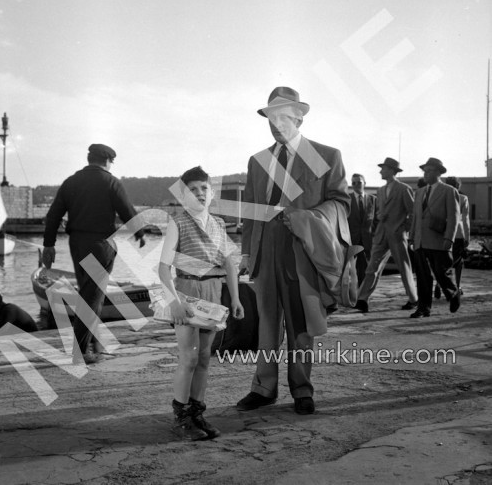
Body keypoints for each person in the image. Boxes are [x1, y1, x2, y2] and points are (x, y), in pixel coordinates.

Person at [236, 86, 351, 416]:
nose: (276, 123)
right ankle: (264, 387)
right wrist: (247, 253)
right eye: (271, 117)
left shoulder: (325, 156)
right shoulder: (258, 161)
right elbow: (252, 212)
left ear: (299, 118)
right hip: (266, 252)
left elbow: (342, 202)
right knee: (266, 324)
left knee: (301, 324)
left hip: (305, 251)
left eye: (284, 116)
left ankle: (301, 388)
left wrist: (308, 218)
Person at [159, 166, 244, 440]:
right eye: (192, 190)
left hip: (212, 291)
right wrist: (174, 302)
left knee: (205, 356)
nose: (199, 193)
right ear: (184, 196)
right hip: (186, 290)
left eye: (203, 188)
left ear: (212, 193)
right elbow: (163, 268)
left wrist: (236, 298)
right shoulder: (178, 222)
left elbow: (230, 263)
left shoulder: (218, 224)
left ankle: (197, 413)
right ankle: (181, 416)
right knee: (189, 356)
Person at [42, 144, 145, 364]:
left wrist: (49, 245)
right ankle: (80, 352)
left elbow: (52, 216)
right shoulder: (110, 182)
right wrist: (140, 232)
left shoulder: (71, 182)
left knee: (89, 295)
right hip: (99, 245)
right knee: (91, 299)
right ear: (107, 161)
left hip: (76, 244)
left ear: (90, 159)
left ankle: (95, 343)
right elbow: (127, 210)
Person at [355, 158, 417, 313]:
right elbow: (379, 212)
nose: (380, 171)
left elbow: (413, 213)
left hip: (397, 235)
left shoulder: (404, 189)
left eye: (383, 169)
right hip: (381, 235)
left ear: (391, 170)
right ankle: (362, 299)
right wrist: (379, 216)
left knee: (404, 268)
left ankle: (413, 299)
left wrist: (403, 229)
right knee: (372, 267)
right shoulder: (381, 191)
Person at [409, 158, 460, 318]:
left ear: (438, 172)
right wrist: (411, 237)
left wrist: (449, 238)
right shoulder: (419, 192)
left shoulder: (449, 191)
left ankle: (452, 293)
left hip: (439, 239)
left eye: (429, 170)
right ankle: (424, 307)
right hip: (420, 240)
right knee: (423, 276)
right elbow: (415, 217)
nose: (425, 173)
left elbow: (453, 217)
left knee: (440, 272)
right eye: (424, 171)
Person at [347, 173, 377, 286]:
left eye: (359, 182)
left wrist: (373, 235)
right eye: (353, 183)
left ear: (364, 183)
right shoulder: (347, 199)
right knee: (346, 267)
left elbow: (377, 220)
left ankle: (361, 291)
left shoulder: (373, 199)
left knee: (363, 266)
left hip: (367, 239)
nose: (356, 185)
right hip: (351, 238)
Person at [443, 177, 470, 294]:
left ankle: (439, 285)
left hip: (443, 233)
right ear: (458, 186)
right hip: (458, 233)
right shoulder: (463, 198)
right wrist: (467, 237)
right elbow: (466, 220)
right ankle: (457, 286)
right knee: (458, 262)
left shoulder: (442, 197)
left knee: (442, 261)